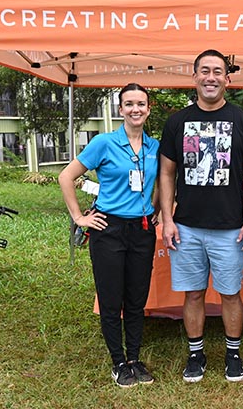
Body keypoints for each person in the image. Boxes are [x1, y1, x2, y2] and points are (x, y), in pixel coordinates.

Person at [158, 49, 243, 383]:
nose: (211, 77)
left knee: (231, 293)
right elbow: (166, 174)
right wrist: (167, 219)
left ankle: (233, 354)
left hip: (230, 228)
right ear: (194, 77)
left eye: (217, 71)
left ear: (227, 80)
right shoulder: (177, 122)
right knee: (193, 293)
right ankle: (196, 354)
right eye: (204, 71)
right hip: (186, 226)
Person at [58, 83, 160, 389]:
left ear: (148, 108)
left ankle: (135, 359)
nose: (135, 109)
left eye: (140, 104)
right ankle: (119, 362)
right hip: (108, 229)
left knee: (137, 298)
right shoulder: (104, 143)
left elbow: (165, 181)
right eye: (129, 104)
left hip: (142, 230)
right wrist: (79, 217)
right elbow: (66, 176)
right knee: (111, 298)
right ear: (120, 109)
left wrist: (157, 208)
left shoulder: (155, 147)